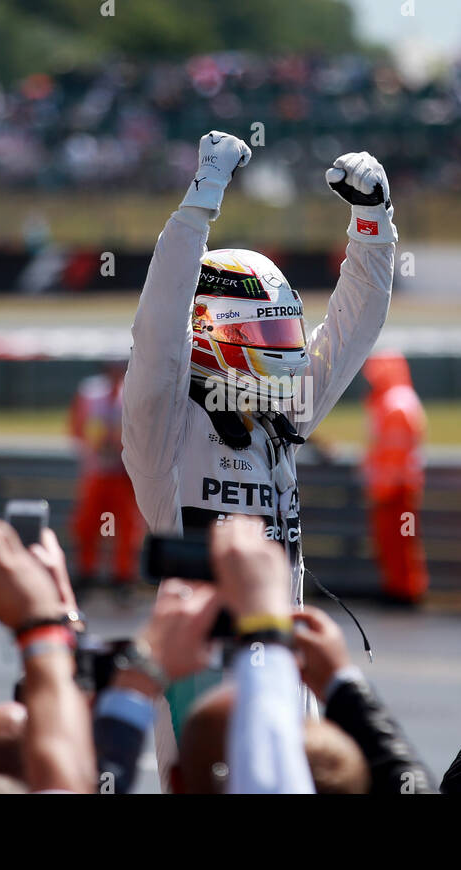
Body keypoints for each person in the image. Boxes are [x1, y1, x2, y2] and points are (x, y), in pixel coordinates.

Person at [120, 131, 396, 783]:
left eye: (285, 327)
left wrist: (373, 224)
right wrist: (200, 201)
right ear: (214, 334)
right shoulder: (162, 427)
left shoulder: (282, 413)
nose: (286, 346)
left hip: (284, 658)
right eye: (265, 331)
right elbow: (159, 325)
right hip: (199, 680)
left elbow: (356, 324)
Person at [68, 360, 142, 593]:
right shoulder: (90, 392)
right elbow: (76, 427)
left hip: (125, 473)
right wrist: (93, 449)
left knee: (127, 526)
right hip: (97, 472)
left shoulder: (133, 391)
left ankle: (123, 576)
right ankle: (87, 570)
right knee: (86, 524)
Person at [361, 351, 427, 604]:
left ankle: (406, 591)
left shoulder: (395, 403)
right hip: (394, 486)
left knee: (401, 541)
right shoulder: (395, 399)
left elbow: (393, 452)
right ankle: (399, 587)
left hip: (396, 488)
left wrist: (382, 488)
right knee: (394, 541)